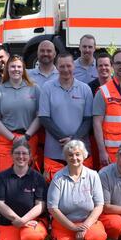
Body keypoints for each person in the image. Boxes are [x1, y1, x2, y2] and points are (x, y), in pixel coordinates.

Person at [46, 139, 108, 240]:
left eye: (78, 154)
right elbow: (52, 208)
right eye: (70, 155)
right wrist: (73, 227)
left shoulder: (93, 175)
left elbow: (99, 205)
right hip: (64, 224)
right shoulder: (58, 177)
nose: (74, 158)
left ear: (84, 155)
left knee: (97, 236)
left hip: (87, 222)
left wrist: (84, 226)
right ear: (65, 157)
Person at [0, 137, 49, 240]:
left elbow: (41, 206)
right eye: (17, 153)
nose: (21, 156)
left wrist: (23, 221)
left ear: (30, 156)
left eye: (24, 153)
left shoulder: (37, 178)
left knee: (32, 237)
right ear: (11, 155)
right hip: (9, 223)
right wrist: (16, 218)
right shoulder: (2, 177)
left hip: (32, 222)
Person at [39, 52, 94, 180]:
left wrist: (73, 141)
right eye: (62, 66)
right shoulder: (47, 88)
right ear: (57, 67)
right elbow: (44, 118)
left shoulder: (85, 89)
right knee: (54, 193)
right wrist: (64, 139)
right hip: (54, 153)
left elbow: (88, 119)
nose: (65, 70)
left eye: (68, 66)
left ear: (74, 66)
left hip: (80, 152)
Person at [0, 55, 41, 172]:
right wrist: (13, 138)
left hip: (28, 139)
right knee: (4, 177)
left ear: (23, 69)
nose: (16, 69)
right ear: (7, 68)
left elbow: (39, 116)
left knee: (26, 178)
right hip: (6, 140)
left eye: (19, 66)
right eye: (12, 66)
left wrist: (26, 136)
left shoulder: (34, 88)